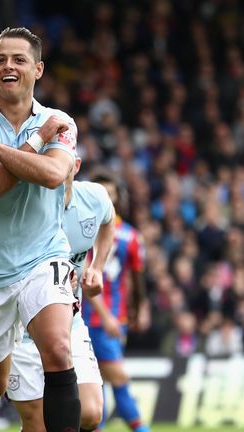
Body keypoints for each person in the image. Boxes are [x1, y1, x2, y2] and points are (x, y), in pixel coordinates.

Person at [0, 27, 80, 432]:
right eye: (0, 59)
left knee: (58, 349)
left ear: (37, 69)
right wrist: (33, 143)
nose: (8, 66)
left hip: (43, 256)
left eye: (19, 59)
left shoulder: (58, 122)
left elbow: (55, 175)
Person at [7, 156, 116, 432]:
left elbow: (109, 219)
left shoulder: (94, 197)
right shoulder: (22, 207)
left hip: (69, 322)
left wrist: (97, 266)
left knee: (91, 413)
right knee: (39, 423)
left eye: (61, 161)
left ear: (75, 165)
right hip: (23, 328)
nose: (53, 170)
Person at [82, 171, 149, 432]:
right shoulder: (85, 231)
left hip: (116, 315)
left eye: (111, 193)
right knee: (118, 376)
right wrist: (105, 314)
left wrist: (140, 308)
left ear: (119, 197)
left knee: (98, 378)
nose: (107, 198)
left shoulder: (131, 235)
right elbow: (83, 278)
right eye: (102, 193)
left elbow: (137, 277)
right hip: (93, 318)